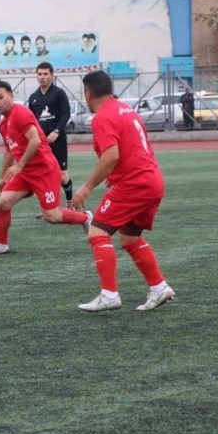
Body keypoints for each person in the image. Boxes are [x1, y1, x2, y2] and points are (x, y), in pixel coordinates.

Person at [71, 71, 174, 312]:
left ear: (88, 93)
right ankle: (159, 288)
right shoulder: (128, 110)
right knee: (130, 238)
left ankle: (109, 295)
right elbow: (134, 148)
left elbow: (111, 155)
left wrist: (87, 187)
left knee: (97, 231)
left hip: (134, 184)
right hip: (152, 180)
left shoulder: (102, 117)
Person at [0, 80, 91, 256]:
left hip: (44, 171)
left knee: (52, 216)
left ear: (11, 96)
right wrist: (2, 177)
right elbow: (9, 151)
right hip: (25, 173)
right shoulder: (3, 124)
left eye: (0, 97)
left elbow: (35, 141)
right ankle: (1, 245)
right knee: (3, 203)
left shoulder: (21, 113)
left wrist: (19, 166)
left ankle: (86, 217)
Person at [26, 62, 74, 210]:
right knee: (43, 175)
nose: (42, 77)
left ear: (52, 75)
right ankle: (48, 207)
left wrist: (56, 131)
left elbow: (66, 113)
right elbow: (31, 120)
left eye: (45, 74)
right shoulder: (33, 97)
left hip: (58, 140)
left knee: (62, 175)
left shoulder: (59, 93)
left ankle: (70, 203)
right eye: (39, 74)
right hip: (41, 142)